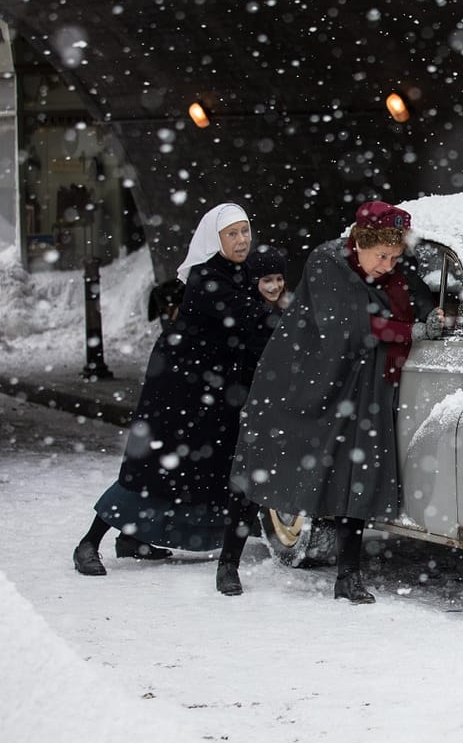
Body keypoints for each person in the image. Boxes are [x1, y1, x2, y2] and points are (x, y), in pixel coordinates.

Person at [227, 201, 439, 603]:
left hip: (360, 385)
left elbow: (412, 292)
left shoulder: (388, 266)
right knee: (264, 464)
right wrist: (409, 330)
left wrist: (433, 314)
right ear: (359, 243)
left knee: (354, 475)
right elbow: (349, 327)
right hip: (300, 380)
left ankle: (349, 577)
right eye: (382, 256)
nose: (388, 265)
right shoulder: (327, 263)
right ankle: (228, 561)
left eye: (395, 257)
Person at [72, 203, 274, 576]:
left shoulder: (239, 273)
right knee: (151, 468)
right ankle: (88, 542)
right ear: (215, 239)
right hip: (179, 388)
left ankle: (133, 538)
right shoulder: (207, 278)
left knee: (192, 468)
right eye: (232, 233)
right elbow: (252, 320)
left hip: (212, 389)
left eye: (245, 231)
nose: (242, 239)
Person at [213, 244, 290, 596]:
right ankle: (228, 564)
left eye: (278, 279)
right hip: (252, 410)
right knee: (245, 489)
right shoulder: (249, 314)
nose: (274, 286)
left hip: (281, 409)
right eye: (266, 280)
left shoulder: (286, 312)